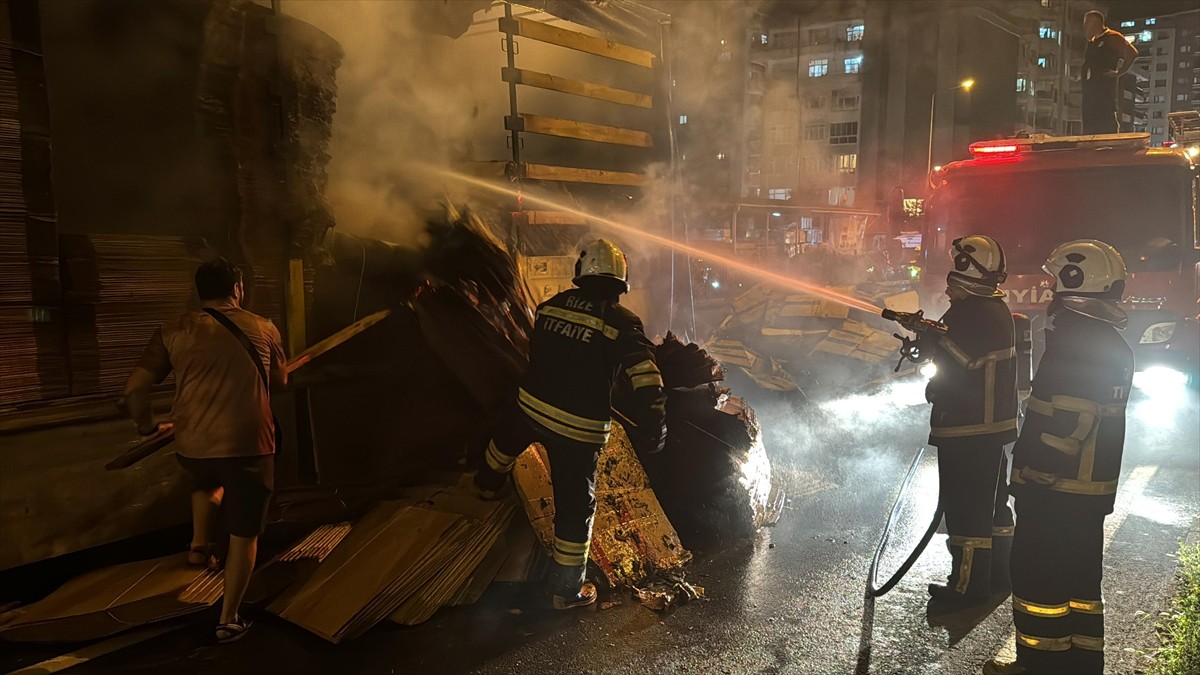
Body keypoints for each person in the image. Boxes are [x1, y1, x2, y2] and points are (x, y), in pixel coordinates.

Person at [474, 239, 666, 609]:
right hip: (577, 429)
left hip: (529, 408)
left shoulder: (550, 307)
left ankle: (484, 485)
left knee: (503, 445)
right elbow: (646, 378)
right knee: (575, 509)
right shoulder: (622, 323)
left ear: (581, 274)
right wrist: (655, 427)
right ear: (619, 283)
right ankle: (564, 592)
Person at [984, 240, 1134, 675]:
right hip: (1089, 493)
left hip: (1056, 490)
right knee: (1080, 584)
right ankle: (1081, 664)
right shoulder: (1111, 342)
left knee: (1039, 580)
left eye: (1054, 283)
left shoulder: (1077, 342)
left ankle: (1038, 665)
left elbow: (1072, 420)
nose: (1049, 292)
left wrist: (1036, 472)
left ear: (1076, 284)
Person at [123, 257, 286, 643]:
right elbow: (280, 380)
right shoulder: (264, 328)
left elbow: (133, 389)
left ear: (200, 291)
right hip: (248, 447)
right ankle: (228, 619)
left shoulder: (172, 329)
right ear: (238, 289)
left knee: (207, 480)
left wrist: (147, 427)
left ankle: (198, 547)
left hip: (192, 444)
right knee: (245, 533)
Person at [924, 235, 1019, 610]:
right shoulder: (994, 310)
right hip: (990, 427)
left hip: (967, 426)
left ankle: (966, 588)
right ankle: (998, 576)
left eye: (952, 284)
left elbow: (959, 361)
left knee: (965, 512)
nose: (947, 292)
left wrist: (933, 343)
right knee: (992, 507)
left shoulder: (972, 313)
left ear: (967, 274)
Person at [1081, 10, 1137, 134]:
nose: (1085, 27)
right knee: (1090, 121)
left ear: (1096, 23)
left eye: (1087, 23)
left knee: (1106, 119)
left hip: (1105, 88)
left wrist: (1119, 72)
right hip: (1091, 90)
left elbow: (1132, 52)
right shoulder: (1092, 42)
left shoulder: (1113, 37)